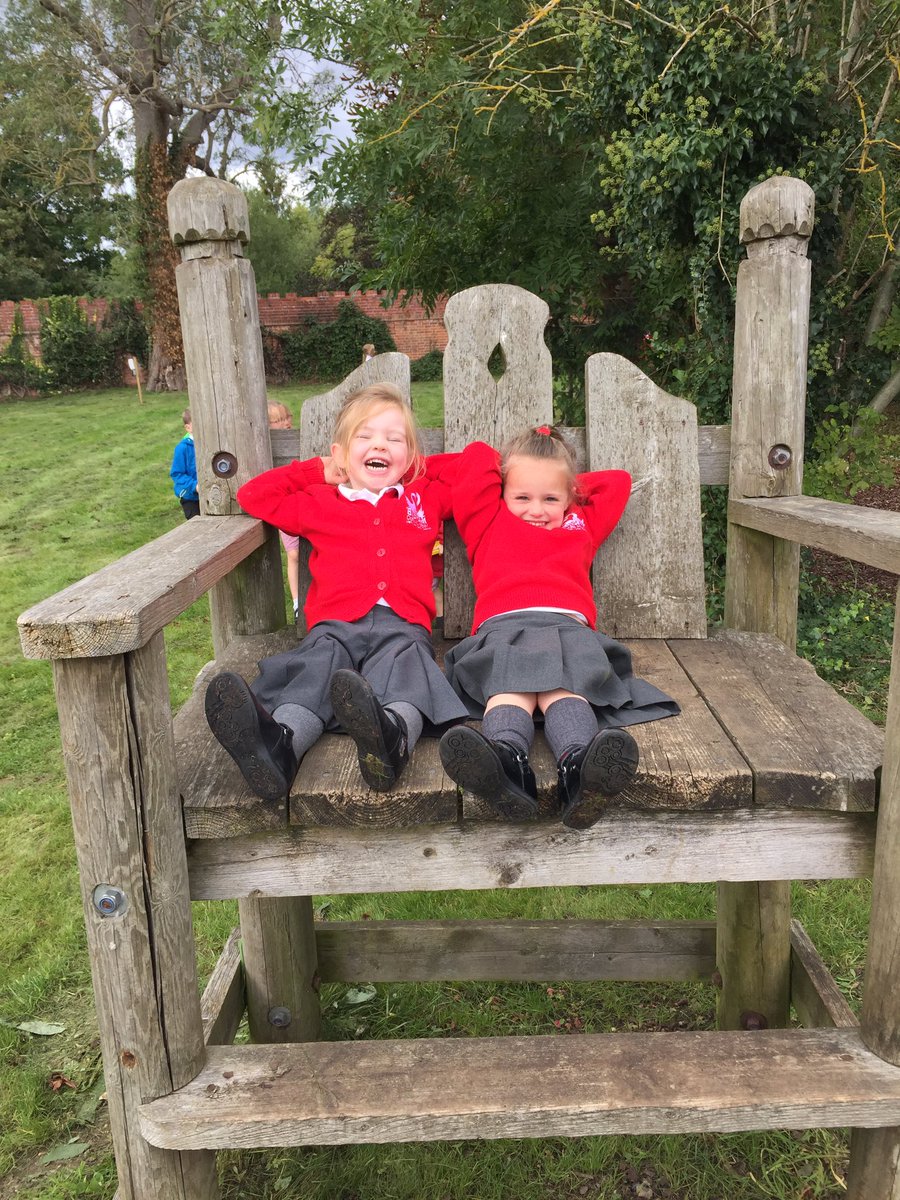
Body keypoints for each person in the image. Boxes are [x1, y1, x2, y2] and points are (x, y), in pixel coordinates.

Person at [204, 383, 469, 801]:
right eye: (364, 436)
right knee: (317, 665)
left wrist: (421, 467)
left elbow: (478, 469)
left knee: (409, 665)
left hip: (402, 624)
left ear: (410, 455)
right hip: (334, 625)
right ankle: (279, 749)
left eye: (394, 439)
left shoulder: (424, 498)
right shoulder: (318, 501)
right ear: (342, 454)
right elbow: (253, 495)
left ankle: (391, 740)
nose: (379, 444)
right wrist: (317, 470)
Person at [439, 425, 680, 830]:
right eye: (523, 497)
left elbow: (616, 484)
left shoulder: (580, 523)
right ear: (501, 493)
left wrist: (565, 484)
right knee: (509, 692)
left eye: (550, 498)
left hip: (567, 629)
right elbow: (476, 457)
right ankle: (506, 763)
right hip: (504, 629)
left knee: (565, 692)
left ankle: (579, 770)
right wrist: (513, 474)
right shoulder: (487, 520)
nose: (537, 509)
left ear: (569, 497)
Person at [267, 401, 301, 620]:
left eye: (287, 417)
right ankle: (298, 601)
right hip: (286, 507)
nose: (286, 423)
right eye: (278, 420)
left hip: (304, 501)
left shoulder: (296, 442)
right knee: (294, 553)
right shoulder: (268, 448)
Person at [170, 409, 199, 519]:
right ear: (188, 428)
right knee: (197, 527)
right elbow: (177, 474)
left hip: (212, 494)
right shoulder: (182, 448)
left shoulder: (210, 443)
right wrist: (194, 486)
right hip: (190, 497)